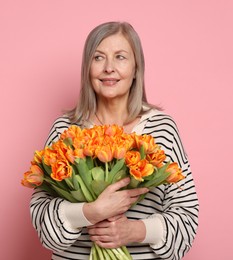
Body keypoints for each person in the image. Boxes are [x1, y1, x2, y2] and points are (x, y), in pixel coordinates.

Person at [30, 21, 199, 260]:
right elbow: (41, 217)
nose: (109, 68)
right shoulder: (66, 130)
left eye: (120, 57)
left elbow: (187, 216)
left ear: (135, 68)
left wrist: (134, 231)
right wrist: (90, 212)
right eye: (98, 58)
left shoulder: (161, 129)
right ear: (87, 68)